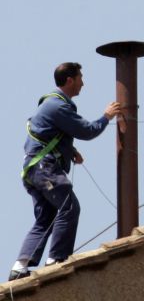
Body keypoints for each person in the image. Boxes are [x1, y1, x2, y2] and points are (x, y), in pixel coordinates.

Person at [9, 63, 121, 281]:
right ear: (70, 80)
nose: (83, 83)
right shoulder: (58, 106)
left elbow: (47, 134)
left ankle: (19, 267)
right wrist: (106, 116)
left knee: (47, 218)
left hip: (35, 169)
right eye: (80, 77)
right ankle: (56, 260)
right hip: (45, 167)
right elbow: (87, 130)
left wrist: (70, 150)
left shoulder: (50, 105)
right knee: (69, 207)